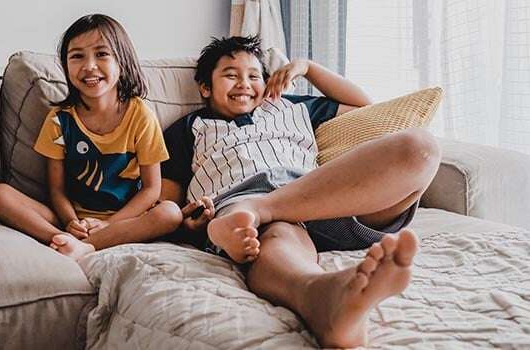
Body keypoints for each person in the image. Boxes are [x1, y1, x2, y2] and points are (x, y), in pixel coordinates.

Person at [160, 36, 440, 348]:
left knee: (420, 149)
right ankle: (323, 296)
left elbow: (365, 108)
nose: (244, 83)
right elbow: (167, 203)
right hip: (240, 202)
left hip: (320, 195)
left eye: (254, 76)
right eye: (230, 75)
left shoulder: (292, 107)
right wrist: (188, 224)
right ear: (205, 88)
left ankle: (265, 207)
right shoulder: (188, 128)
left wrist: (307, 68)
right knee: (279, 237)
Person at [0, 14, 183, 261]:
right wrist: (70, 222)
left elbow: (152, 189)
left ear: (122, 62)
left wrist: (110, 224)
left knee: (170, 213)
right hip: (69, 217)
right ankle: (61, 239)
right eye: (77, 56)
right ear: (66, 65)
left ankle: (86, 247)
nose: (89, 66)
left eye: (101, 54)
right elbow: (56, 190)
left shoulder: (141, 115)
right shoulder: (59, 120)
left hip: (124, 219)